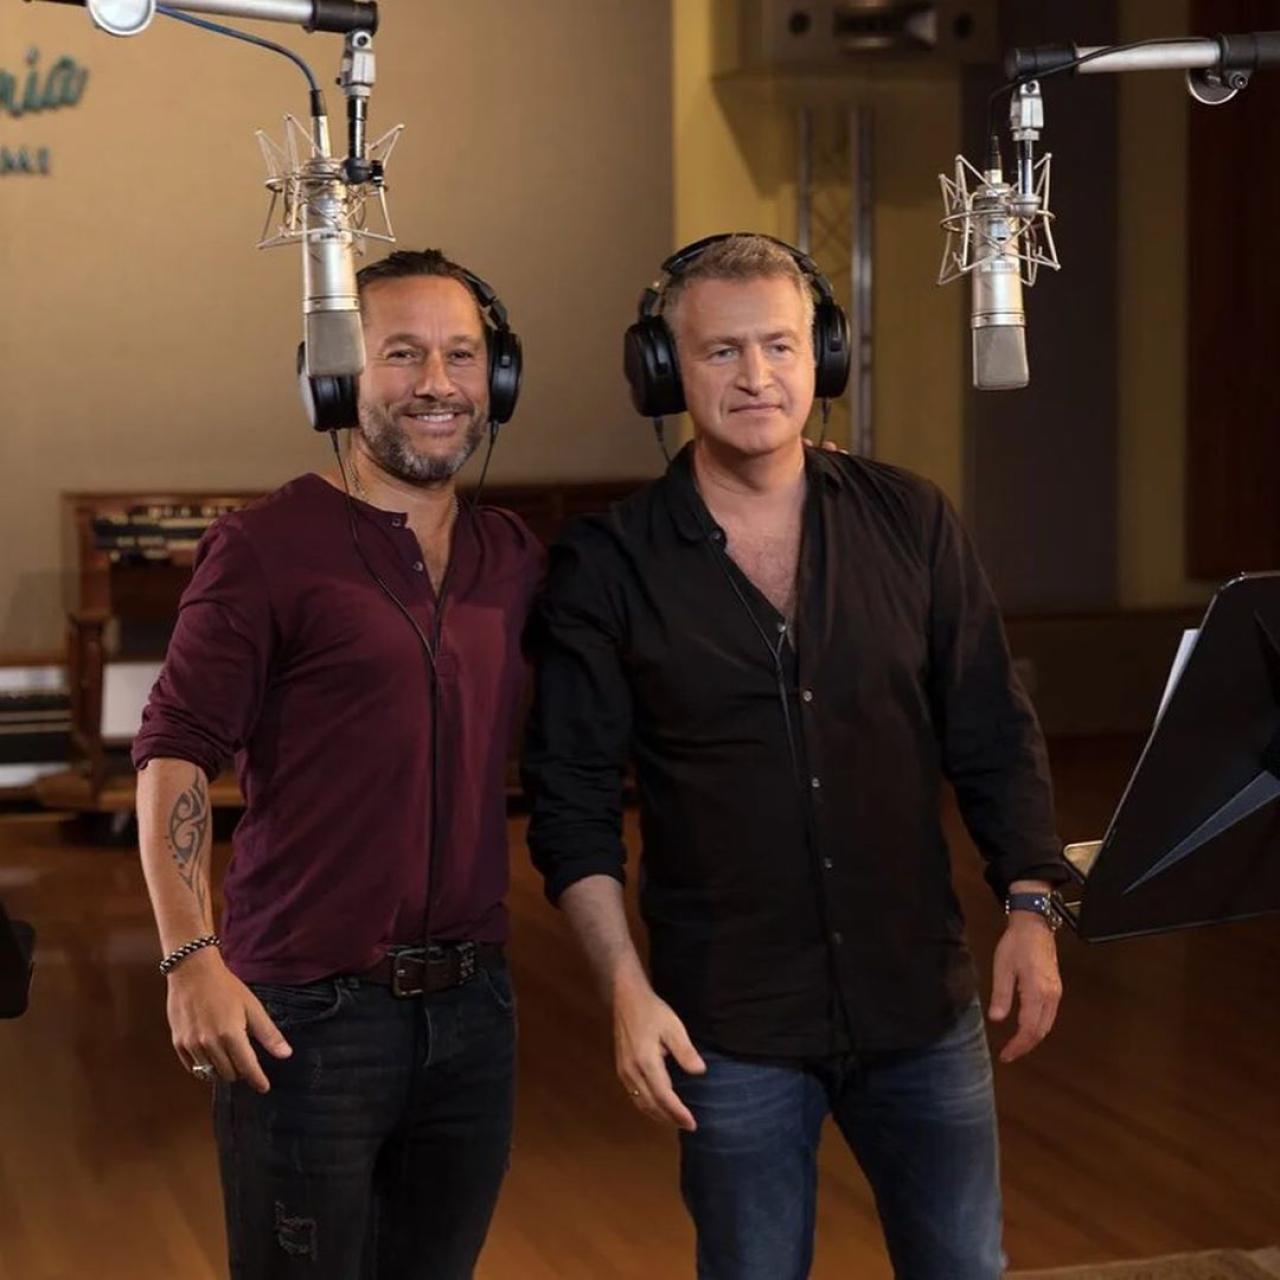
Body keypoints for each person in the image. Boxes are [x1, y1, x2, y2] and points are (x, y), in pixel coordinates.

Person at [522, 233, 1068, 1280]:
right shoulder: (607, 562)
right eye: (720, 351)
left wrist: (1032, 907)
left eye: (779, 345)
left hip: (918, 1000)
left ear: (824, 356)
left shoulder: (912, 518)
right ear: (663, 370)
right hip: (727, 1025)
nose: (756, 376)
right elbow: (571, 802)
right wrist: (624, 987)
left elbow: (993, 729)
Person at [133, 248, 542, 1280]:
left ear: (497, 379)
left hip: (474, 1011)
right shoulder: (264, 546)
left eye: (462, 355)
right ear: (335, 377)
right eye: (401, 354)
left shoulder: (512, 556)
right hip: (305, 1017)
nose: (437, 383)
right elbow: (176, 748)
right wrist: (189, 958)